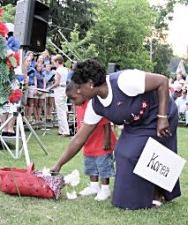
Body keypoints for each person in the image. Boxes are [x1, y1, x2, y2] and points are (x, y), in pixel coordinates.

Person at [52, 59, 181, 210]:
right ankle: (136, 195)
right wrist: (58, 165)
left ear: (90, 83)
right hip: (136, 124)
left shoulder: (124, 81)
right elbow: (79, 139)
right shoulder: (95, 106)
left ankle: (157, 192)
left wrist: (162, 117)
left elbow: (162, 81)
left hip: (158, 113)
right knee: (121, 152)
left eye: (79, 88)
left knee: (145, 153)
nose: (78, 91)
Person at [66, 81, 117, 201]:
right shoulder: (79, 107)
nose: (72, 102)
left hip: (101, 142)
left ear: (82, 93)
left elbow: (106, 123)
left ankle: (105, 188)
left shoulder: (94, 104)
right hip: (89, 142)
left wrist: (107, 140)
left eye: (73, 98)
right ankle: (94, 186)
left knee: (103, 166)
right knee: (90, 165)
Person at [47, 54, 70, 137]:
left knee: (61, 111)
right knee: (63, 109)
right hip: (64, 89)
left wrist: (49, 87)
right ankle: (61, 130)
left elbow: (57, 83)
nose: (54, 64)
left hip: (59, 90)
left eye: (54, 62)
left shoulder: (59, 70)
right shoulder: (65, 69)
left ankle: (65, 131)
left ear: (57, 61)